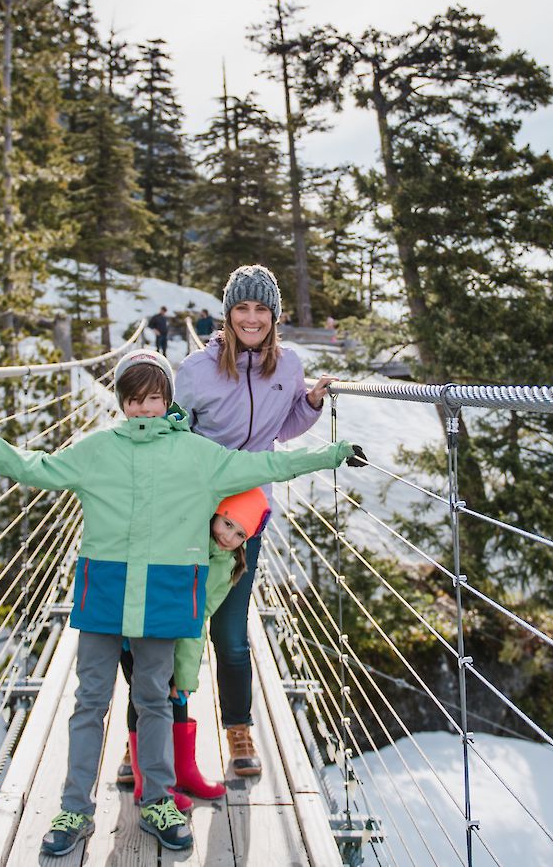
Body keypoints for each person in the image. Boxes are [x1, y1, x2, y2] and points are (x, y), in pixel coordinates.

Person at [0, 348, 358, 856]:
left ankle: (158, 798)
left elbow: (269, 462)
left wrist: (331, 454)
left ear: (168, 399)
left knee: (155, 698)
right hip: (107, 590)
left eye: (154, 398)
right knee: (90, 701)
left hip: (162, 592)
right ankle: (74, 807)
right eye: (134, 399)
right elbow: (36, 468)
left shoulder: (200, 455)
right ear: (121, 402)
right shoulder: (97, 450)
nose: (144, 408)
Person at [173, 265, 336, 777]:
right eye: (241, 308)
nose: (251, 318)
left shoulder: (288, 366)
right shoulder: (195, 370)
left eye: (260, 309)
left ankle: (238, 730)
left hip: (248, 507)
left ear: (274, 316)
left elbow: (282, 428)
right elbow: (174, 432)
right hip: (193, 502)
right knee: (173, 621)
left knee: (229, 628)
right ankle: (152, 735)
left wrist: (309, 404)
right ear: (227, 314)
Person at [118, 486, 271, 805]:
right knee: (145, 695)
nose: (229, 537)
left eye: (240, 534)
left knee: (173, 692)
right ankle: (149, 782)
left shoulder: (228, 564)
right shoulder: (186, 537)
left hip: (177, 634)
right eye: (227, 524)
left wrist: (185, 677)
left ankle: (181, 771)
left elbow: (196, 618)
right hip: (141, 624)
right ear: (213, 515)